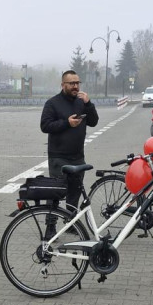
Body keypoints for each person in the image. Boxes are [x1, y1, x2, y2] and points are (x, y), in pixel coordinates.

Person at [40, 70, 99, 212]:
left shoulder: (81, 102)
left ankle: (71, 223)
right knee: (55, 193)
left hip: (78, 157)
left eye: (77, 83)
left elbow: (93, 121)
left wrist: (89, 103)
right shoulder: (52, 103)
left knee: (75, 193)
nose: (75, 86)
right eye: (71, 83)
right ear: (63, 85)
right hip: (58, 158)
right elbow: (45, 126)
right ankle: (51, 228)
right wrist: (67, 123)